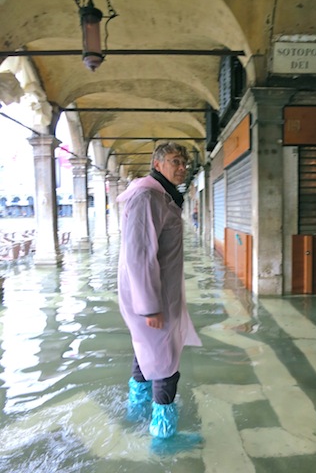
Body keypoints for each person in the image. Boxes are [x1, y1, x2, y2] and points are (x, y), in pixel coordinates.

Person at [117, 141, 202, 439]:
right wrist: (150, 307)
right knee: (165, 361)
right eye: (176, 161)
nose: (182, 167)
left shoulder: (162, 196)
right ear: (158, 164)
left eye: (185, 163)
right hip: (151, 300)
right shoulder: (147, 196)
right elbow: (139, 255)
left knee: (147, 351)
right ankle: (164, 436)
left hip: (157, 296)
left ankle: (136, 408)